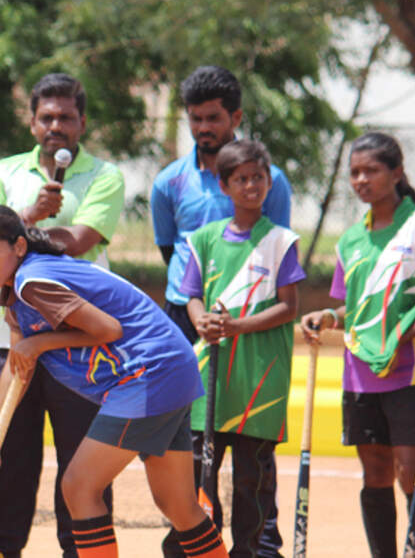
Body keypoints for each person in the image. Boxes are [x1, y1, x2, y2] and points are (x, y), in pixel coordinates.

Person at [0, 204, 228, 558]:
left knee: (79, 487)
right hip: (171, 368)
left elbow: (108, 329)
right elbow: (18, 367)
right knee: (178, 505)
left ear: (19, 247)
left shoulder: (33, 282)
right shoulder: (16, 293)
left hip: (148, 372)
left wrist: (41, 342)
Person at [0, 73, 123, 557]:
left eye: (66, 117)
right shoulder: (2, 171)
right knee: (3, 461)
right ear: (32, 120)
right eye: (46, 117)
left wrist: (20, 230)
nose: (55, 126)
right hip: (11, 340)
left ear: (82, 122)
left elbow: (78, 242)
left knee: (82, 468)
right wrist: (31, 215)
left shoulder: (106, 175)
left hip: (80, 345)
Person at [151, 65, 291, 556]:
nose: (203, 128)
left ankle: (258, 546)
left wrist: (236, 315)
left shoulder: (274, 182)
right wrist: (198, 310)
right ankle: (189, 539)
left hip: (251, 326)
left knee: (251, 449)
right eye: (194, 119)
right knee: (186, 443)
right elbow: (175, 255)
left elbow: (274, 255)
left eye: (212, 118)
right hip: (186, 319)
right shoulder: (169, 182)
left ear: (235, 116)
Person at [300, 132, 415, 558]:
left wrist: (403, 334)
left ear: (396, 173)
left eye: (371, 170)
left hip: (413, 371)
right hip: (360, 374)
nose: (360, 179)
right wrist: (329, 318)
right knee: (374, 472)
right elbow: (352, 307)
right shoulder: (350, 240)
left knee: (411, 474)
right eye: (354, 172)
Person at [180, 140, 304, 557]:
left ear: (269, 182)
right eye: (240, 179)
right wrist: (201, 320)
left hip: (259, 379)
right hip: (211, 376)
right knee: (202, 472)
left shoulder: (282, 241)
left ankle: (248, 550)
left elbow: (290, 307)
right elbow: (191, 295)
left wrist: (235, 326)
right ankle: (203, 548)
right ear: (223, 185)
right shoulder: (204, 239)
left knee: (252, 477)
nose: (250, 186)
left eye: (258, 177)